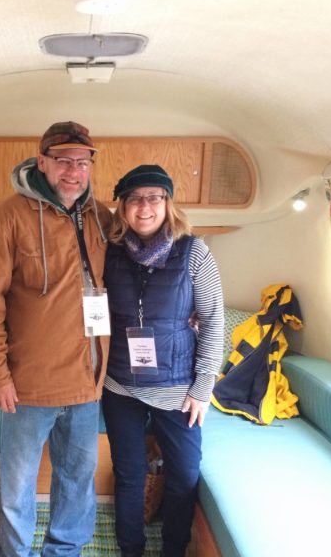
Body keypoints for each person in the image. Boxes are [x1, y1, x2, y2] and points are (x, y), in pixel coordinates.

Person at [0, 121, 113, 556]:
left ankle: (63, 552)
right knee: (16, 488)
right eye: (64, 161)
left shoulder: (101, 217)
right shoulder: (6, 218)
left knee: (77, 482)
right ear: (42, 162)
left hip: (87, 384)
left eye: (83, 162)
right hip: (27, 386)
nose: (74, 171)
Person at [102, 164, 224, 557]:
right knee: (129, 474)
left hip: (177, 390)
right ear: (123, 207)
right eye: (135, 199)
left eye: (154, 197)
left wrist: (203, 388)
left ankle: (173, 550)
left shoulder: (194, 252)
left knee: (184, 474)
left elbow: (213, 319)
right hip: (120, 385)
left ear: (168, 203)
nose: (144, 207)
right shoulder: (109, 252)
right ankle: (130, 550)